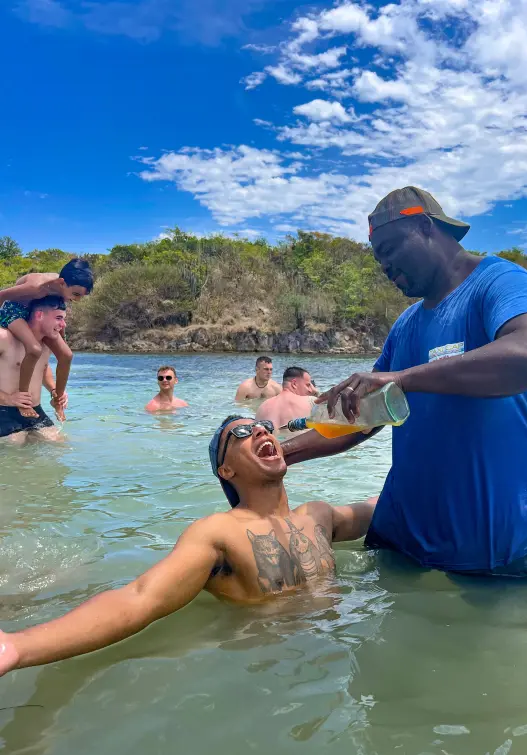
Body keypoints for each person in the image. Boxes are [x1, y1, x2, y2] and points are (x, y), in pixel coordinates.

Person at [281, 186, 527, 579]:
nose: (385, 266)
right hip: (403, 535)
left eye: (390, 249)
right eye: (379, 259)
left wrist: (403, 378)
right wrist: (282, 455)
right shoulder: (405, 325)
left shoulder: (501, 282)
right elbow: (364, 417)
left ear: (426, 227)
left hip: (497, 545)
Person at [0, 415, 376, 675]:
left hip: (346, 652)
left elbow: (387, 506)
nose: (260, 431)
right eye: (241, 433)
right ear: (226, 471)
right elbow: (140, 597)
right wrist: (17, 647)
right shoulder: (218, 533)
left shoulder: (319, 515)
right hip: (276, 672)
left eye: (263, 426)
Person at [0, 260, 93, 419]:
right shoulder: (36, 288)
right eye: (76, 295)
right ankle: (24, 401)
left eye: (81, 296)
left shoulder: (63, 289)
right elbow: (1, 296)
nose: (77, 300)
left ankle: (57, 400)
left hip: (36, 312)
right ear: (61, 283)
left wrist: (62, 340)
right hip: (13, 311)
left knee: (66, 355)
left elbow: (59, 320)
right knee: (34, 349)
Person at [0, 296, 69, 444]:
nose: (63, 325)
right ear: (39, 315)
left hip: (34, 410)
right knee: (15, 444)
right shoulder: (4, 337)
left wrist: (53, 389)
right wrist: (7, 398)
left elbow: (43, 368)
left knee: (60, 444)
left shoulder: (47, 343)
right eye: (58, 318)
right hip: (3, 410)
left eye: (63, 319)